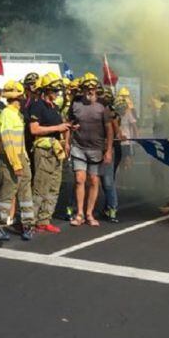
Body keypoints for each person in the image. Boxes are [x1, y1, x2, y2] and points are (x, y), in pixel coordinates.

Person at [68, 77, 118, 226]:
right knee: (79, 179)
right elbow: (69, 123)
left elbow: (109, 130)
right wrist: (67, 142)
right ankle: (79, 214)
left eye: (92, 88)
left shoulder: (103, 107)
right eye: (87, 88)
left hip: (96, 149)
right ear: (82, 89)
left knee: (94, 180)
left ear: (96, 89)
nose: (90, 91)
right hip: (78, 147)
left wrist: (108, 150)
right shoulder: (75, 104)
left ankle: (89, 213)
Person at [27, 73, 71, 234]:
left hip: (56, 151)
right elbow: (34, 129)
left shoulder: (55, 107)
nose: (57, 93)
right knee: (40, 187)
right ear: (46, 90)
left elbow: (59, 127)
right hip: (44, 151)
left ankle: (44, 220)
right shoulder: (37, 106)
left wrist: (65, 136)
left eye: (58, 90)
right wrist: (57, 129)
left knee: (53, 187)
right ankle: (30, 222)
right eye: (54, 90)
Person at [0, 80, 35, 241]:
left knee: (25, 193)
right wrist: (16, 164)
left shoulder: (17, 114)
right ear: (16, 98)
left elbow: (20, 141)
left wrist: (24, 159)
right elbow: (8, 141)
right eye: (21, 97)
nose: (24, 99)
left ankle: (28, 225)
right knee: (8, 192)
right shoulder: (7, 114)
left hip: (21, 159)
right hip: (11, 160)